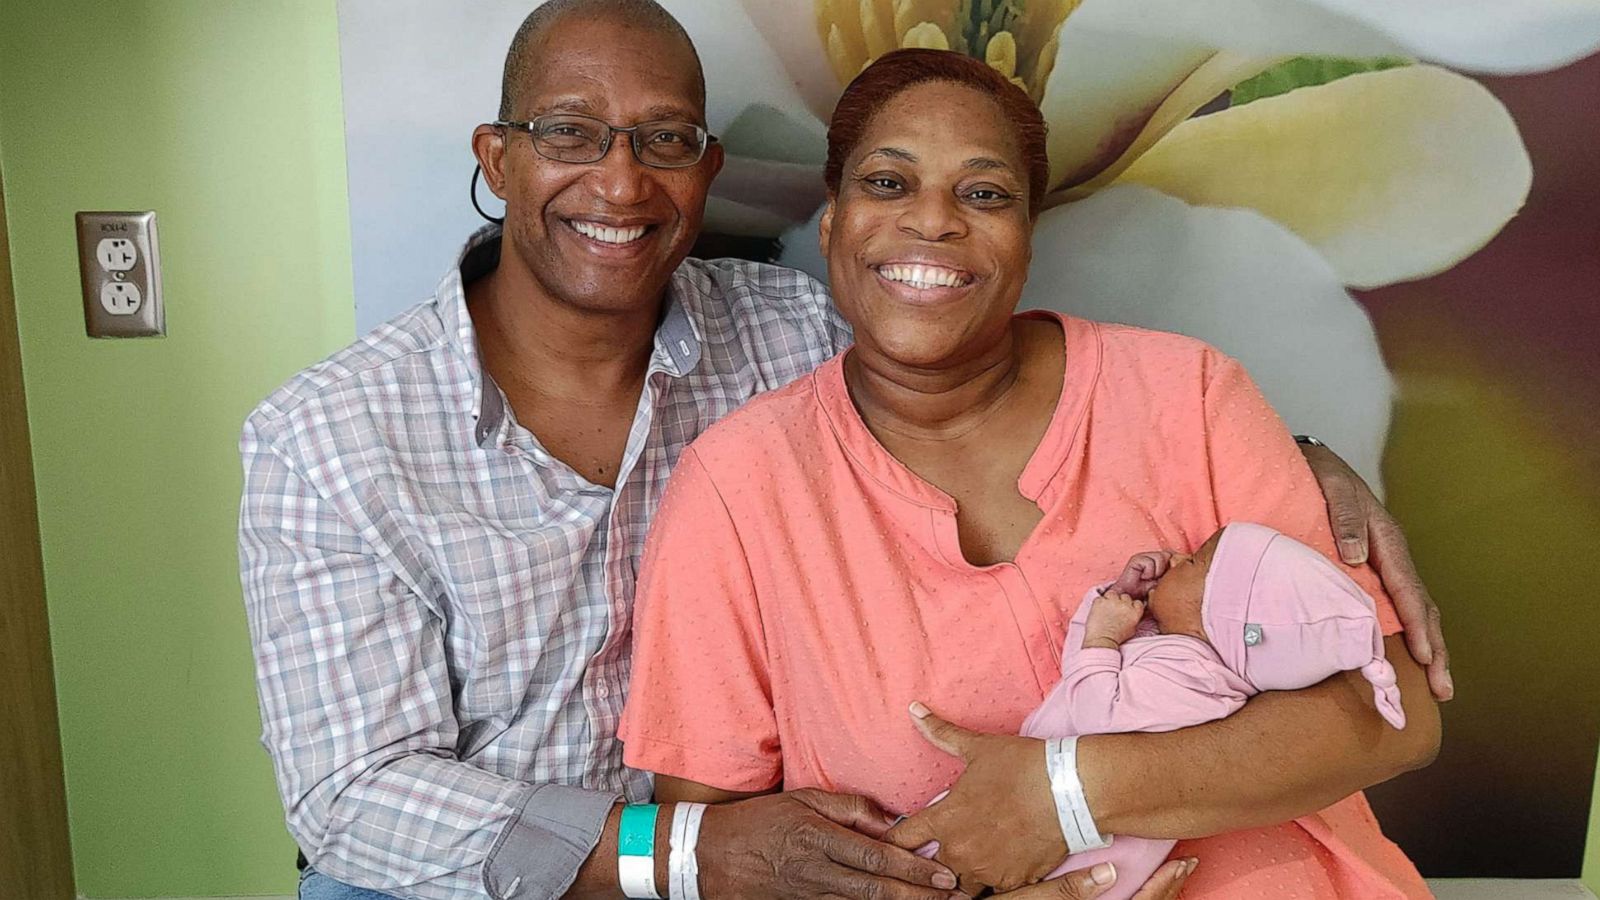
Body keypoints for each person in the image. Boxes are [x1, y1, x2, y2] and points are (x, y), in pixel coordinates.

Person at [238, 3, 1448, 898]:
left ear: (711, 172)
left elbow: (967, 343)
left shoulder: (785, 328)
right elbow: (352, 801)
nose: (619, 178)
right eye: (569, 132)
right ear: (493, 158)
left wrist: (1301, 467)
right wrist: (691, 853)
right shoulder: (329, 441)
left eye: (663, 140)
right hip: (494, 867)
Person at [618, 48, 1440, 899]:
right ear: (831, 223)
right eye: (889, 183)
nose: (933, 220)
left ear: (1027, 236)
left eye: (984, 194)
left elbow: (1392, 715)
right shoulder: (736, 486)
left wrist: (1067, 795)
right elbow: (727, 849)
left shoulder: (1188, 396)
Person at [938, 521, 1410, 900]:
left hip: (1082, 853)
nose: (1179, 555)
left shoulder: (1197, 683)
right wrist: (1121, 599)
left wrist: (1104, 639)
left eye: (1198, 561)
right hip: (1043, 814)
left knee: (940, 860)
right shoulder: (1180, 654)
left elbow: (1095, 713)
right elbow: (1080, 672)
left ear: (1219, 617)